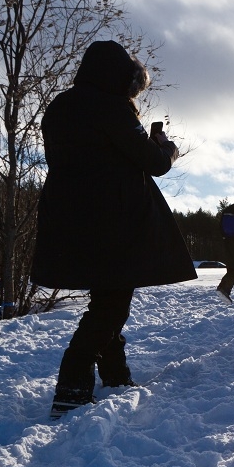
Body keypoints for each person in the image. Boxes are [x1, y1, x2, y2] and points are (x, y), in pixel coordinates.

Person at [32, 41, 197, 419]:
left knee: (106, 297)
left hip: (69, 219)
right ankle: (72, 384)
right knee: (112, 303)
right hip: (112, 221)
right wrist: (166, 147)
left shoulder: (59, 107)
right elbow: (153, 162)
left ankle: (116, 376)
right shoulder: (111, 109)